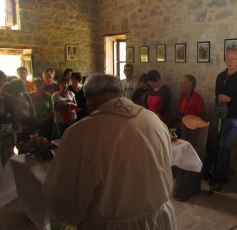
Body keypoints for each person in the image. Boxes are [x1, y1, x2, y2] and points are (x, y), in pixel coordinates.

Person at [42, 73, 177, 229]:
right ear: (121, 92)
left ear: (89, 98)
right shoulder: (153, 119)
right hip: (159, 218)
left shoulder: (81, 132)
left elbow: (62, 193)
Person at [212, 48, 237, 191]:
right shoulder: (220, 76)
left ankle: (217, 178)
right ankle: (222, 175)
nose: (230, 62)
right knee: (219, 145)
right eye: (228, 59)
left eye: (233, 59)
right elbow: (217, 97)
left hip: (235, 118)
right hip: (220, 116)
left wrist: (229, 99)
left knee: (224, 146)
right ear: (224, 60)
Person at [0, 70, 15, 171]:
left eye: (1, 80)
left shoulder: (8, 98)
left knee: (8, 158)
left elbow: (13, 115)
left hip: (7, 131)